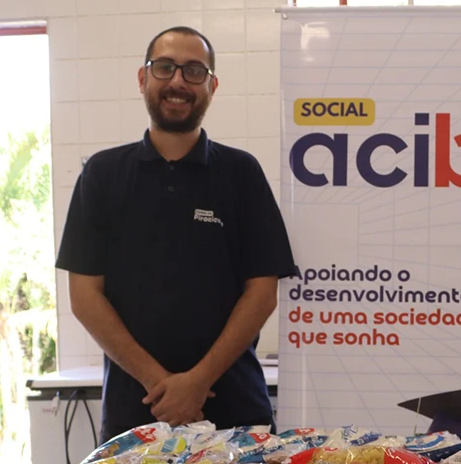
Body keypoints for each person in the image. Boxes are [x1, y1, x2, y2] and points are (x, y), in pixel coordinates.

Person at [56, 26, 298, 441]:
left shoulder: (241, 173)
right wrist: (163, 385)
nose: (177, 82)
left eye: (193, 71)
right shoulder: (102, 173)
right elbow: (84, 297)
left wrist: (198, 382)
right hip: (136, 414)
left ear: (212, 85)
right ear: (142, 78)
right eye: (165, 67)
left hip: (235, 411)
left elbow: (262, 293)